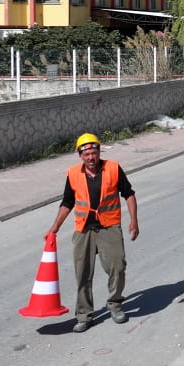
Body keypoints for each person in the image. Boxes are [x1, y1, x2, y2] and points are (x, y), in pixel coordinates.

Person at [46, 133, 139, 333]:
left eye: (94, 153)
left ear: (99, 152)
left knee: (118, 267)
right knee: (83, 274)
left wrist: (134, 221)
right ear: (80, 156)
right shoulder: (72, 174)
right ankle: (84, 315)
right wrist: (55, 227)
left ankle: (114, 304)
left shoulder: (113, 168)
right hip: (83, 229)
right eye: (86, 154)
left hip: (109, 227)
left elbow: (129, 194)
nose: (91, 157)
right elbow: (67, 202)